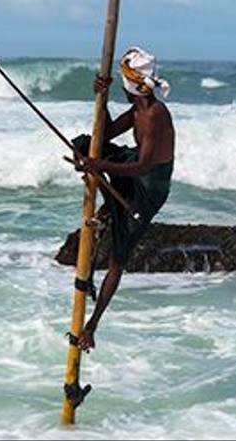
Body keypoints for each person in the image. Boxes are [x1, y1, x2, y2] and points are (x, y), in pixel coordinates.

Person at [72, 46, 175, 351]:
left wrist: (99, 166)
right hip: (133, 168)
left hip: (149, 187)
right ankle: (111, 202)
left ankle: (92, 326)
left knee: (118, 259)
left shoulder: (155, 114)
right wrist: (101, 98)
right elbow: (104, 136)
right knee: (84, 145)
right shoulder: (137, 111)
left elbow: (143, 167)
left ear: (133, 86)